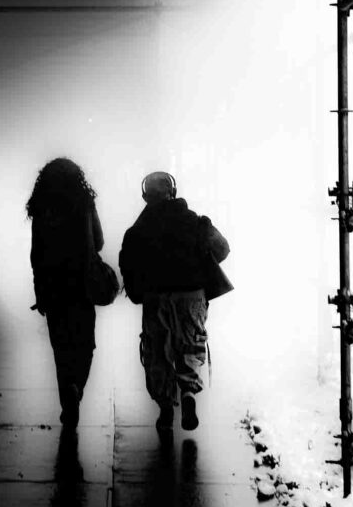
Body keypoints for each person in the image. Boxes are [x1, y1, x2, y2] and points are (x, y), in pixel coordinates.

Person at [119, 171, 230, 432]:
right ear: (173, 192)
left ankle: (165, 407)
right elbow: (222, 248)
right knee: (191, 346)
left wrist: (138, 294)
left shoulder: (137, 230)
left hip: (156, 297)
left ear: (146, 196)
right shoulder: (196, 222)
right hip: (192, 295)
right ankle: (188, 393)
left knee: (157, 351)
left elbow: (128, 264)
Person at [27, 157, 103, 428]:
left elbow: (36, 254)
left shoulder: (41, 207)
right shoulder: (85, 203)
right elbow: (101, 240)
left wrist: (39, 290)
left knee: (61, 349)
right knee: (85, 345)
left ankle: (68, 401)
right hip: (82, 285)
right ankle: (77, 388)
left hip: (53, 287)